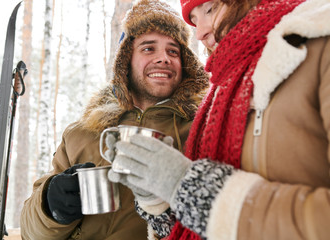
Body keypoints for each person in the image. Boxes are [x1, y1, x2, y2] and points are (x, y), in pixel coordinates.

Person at [107, 0, 330, 239]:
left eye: (210, 9)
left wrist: (201, 193)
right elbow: (199, 225)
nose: (200, 32)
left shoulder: (319, 45)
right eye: (194, 20)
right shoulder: (221, 91)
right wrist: (159, 202)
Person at [20, 0, 209, 239]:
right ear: (125, 61)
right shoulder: (83, 133)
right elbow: (30, 232)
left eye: (173, 51)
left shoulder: (201, 131)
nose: (164, 58)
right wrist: (50, 206)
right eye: (149, 48)